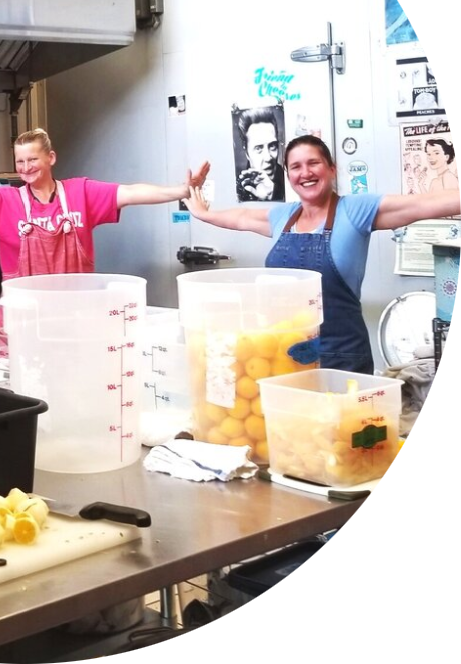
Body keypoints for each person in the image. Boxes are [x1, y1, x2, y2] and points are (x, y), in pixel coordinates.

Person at [187, 134, 461, 557]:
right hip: (284, 361)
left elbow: (426, 204)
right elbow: (240, 217)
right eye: (295, 167)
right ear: (288, 176)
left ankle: (382, 563)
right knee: (293, 458)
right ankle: (305, 554)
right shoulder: (283, 217)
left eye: (314, 163)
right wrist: (201, 210)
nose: (305, 173)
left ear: (331, 169)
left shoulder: (357, 211)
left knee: (353, 463)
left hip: (342, 356)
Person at [0, 127, 210, 284]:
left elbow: (133, 192)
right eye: (19, 162)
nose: (25, 168)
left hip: (78, 314)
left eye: (32, 159)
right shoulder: (3, 201)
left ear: (50, 158)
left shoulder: (82, 193)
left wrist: (182, 190)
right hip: (25, 319)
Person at [234, 107, 283, 202]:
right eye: (258, 148)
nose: (268, 157)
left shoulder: (291, 180)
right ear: (247, 153)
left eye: (272, 146)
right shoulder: (236, 188)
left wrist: (274, 193)